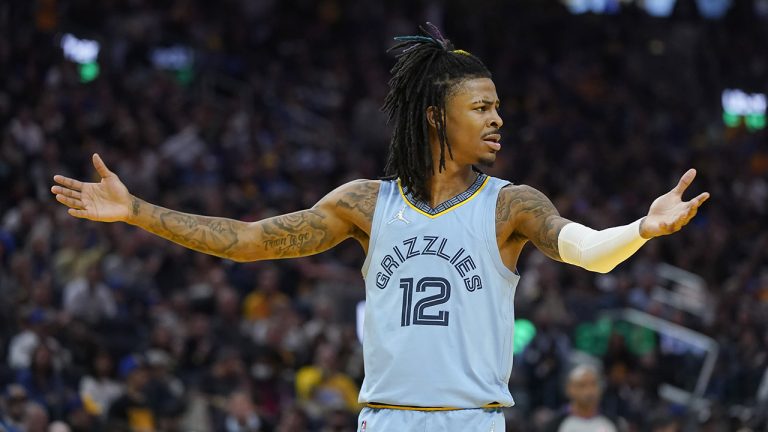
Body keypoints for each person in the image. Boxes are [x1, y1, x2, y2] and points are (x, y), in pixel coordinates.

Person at [51, 24, 709, 432]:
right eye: (481, 107)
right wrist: (137, 211)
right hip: (385, 420)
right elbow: (250, 240)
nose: (497, 120)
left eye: (498, 108)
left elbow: (588, 252)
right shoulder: (365, 204)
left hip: (472, 422)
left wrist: (641, 228)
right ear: (435, 116)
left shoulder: (510, 205)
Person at [545, 364, 626, 432]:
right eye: (582, 385)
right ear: (569, 389)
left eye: (593, 384)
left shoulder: (613, 423)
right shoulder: (555, 425)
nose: (589, 391)